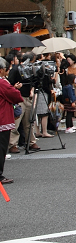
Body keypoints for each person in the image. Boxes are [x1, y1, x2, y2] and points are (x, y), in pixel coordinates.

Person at [7, 53, 40, 153]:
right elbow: (9, 83)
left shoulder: (32, 70)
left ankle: (31, 141)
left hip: (28, 97)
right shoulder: (16, 69)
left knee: (29, 122)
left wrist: (32, 90)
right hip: (18, 97)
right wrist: (15, 87)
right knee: (15, 123)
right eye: (32, 61)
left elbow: (35, 83)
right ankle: (13, 144)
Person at [0, 56, 23, 184]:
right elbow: (15, 96)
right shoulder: (2, 83)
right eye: (6, 69)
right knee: (1, 147)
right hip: (2, 118)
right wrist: (15, 89)